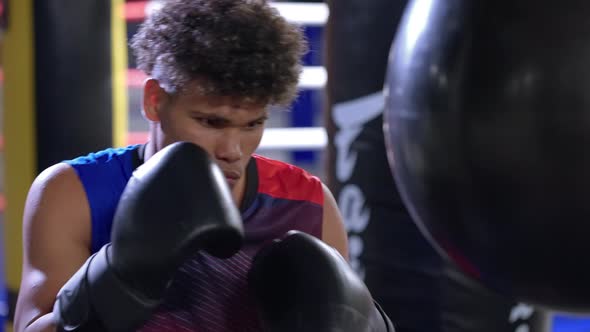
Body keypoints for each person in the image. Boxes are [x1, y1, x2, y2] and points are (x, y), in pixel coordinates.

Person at [13, 1, 393, 331]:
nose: (232, 149)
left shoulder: (306, 204)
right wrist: (119, 273)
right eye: (211, 122)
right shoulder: (75, 191)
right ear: (154, 101)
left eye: (252, 124)